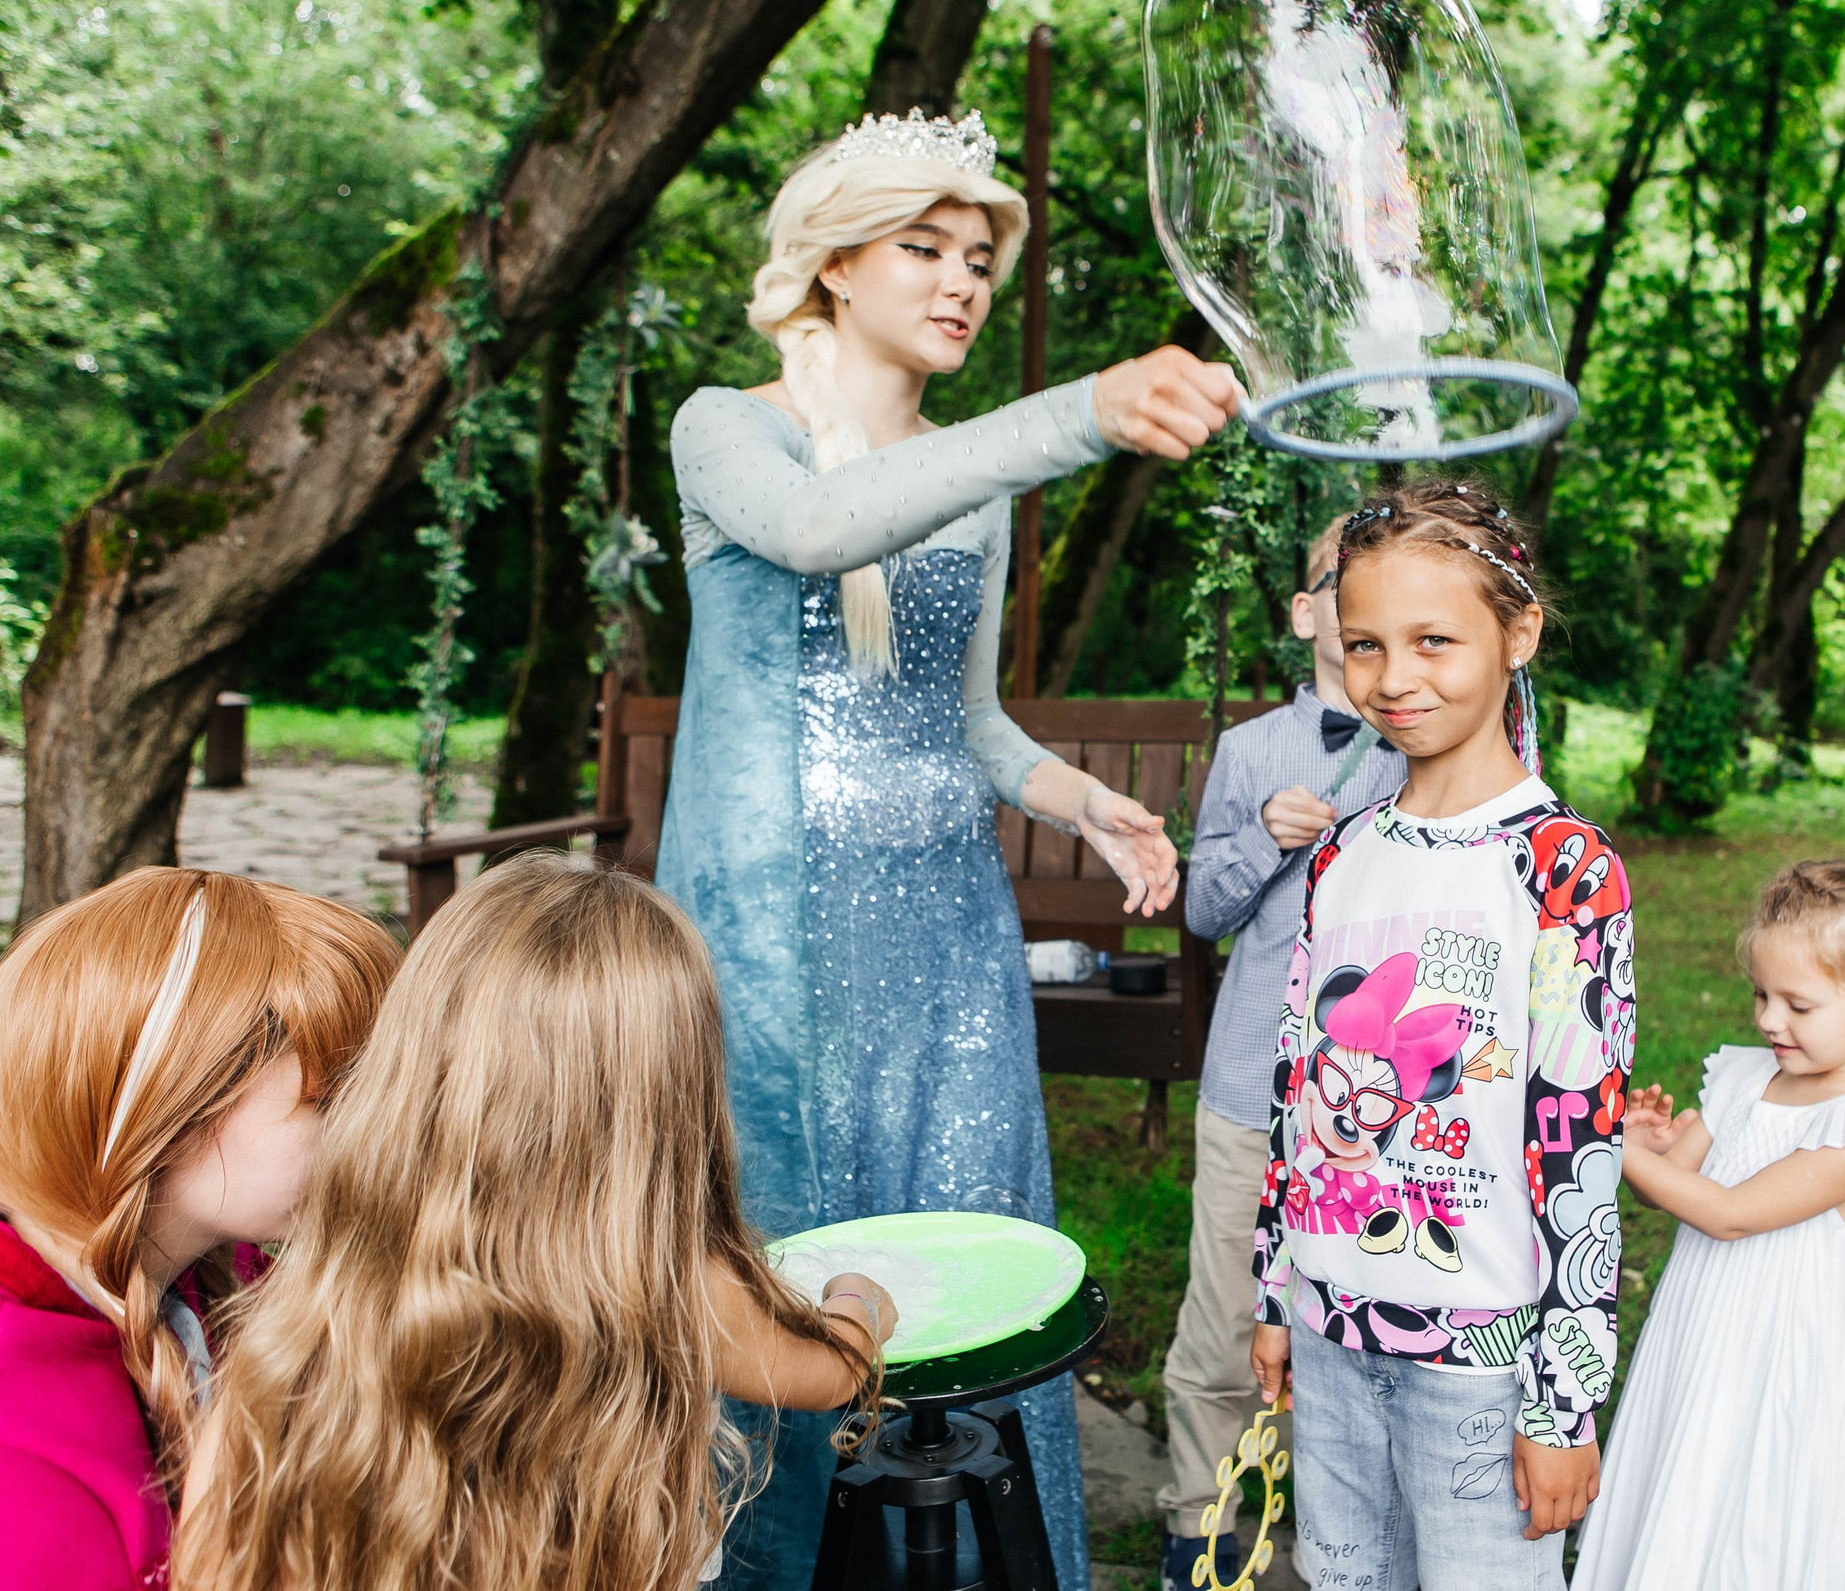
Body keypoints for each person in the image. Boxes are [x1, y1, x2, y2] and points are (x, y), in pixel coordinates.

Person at [654, 109, 1242, 1590]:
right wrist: (1079, 414)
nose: (962, 280)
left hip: (945, 938)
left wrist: (1074, 798)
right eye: (925, 246)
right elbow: (806, 529)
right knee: (775, 1253)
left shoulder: (965, 473)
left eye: (979, 257)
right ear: (834, 263)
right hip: (767, 941)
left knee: (965, 1262)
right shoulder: (733, 428)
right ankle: (770, 1564)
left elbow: (962, 715)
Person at [174, 854, 894, 1591]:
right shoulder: (671, 1287)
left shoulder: (297, 1324)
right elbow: (836, 1368)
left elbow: (208, 1557)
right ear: (671, 1096)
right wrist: (860, 1295)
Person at [1246, 480, 1633, 1591]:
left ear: (1518, 634)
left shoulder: (1563, 869)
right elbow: (1297, 1092)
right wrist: (1277, 1294)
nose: (1394, 678)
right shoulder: (1340, 853)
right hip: (1326, 1336)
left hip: (1484, 1362)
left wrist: (1562, 1400)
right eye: (1364, 645)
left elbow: (1579, 1151)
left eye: (1433, 640)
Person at [0, 868, 399, 1590]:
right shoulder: (23, 1450)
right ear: (180, 1105)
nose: (367, 1135)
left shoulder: (231, 1275)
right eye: (331, 1097)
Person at [1571, 859, 1845, 1591]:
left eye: (1798, 1004)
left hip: (1791, 1392)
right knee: (1688, 1504)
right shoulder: (1749, 1075)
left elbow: (1729, 1213)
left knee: (1757, 1533)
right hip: (1703, 1357)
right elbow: (1681, 1188)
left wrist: (1603, 1140)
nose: (1767, 1018)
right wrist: (1650, 1146)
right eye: (1761, 993)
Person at [1155, 512, 1407, 1589]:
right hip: (1250, 1088)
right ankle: (1201, 1541)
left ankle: (1349, 1546)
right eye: (1335, 580)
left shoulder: (1435, 747)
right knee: (1223, 1327)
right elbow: (1204, 911)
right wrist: (1263, 835)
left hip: (1386, 1103)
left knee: (1357, 1328)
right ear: (1306, 614)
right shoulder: (1249, 750)